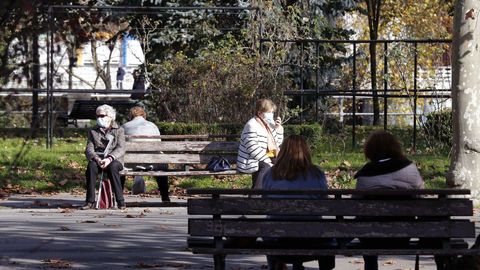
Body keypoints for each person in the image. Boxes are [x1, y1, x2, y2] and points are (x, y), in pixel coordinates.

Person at [262, 135, 335, 270]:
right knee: (327, 232)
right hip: (312, 238)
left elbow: (265, 204)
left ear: (283, 151)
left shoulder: (270, 174)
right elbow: (324, 203)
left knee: (270, 225)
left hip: (278, 239)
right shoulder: (317, 173)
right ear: (306, 152)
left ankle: (276, 266)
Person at [354, 130, 424, 270]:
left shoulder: (365, 175)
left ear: (370, 149)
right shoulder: (410, 169)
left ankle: (370, 266)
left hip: (370, 237)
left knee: (364, 223)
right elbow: (421, 198)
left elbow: (355, 204)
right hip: (402, 234)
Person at [121, 106, 170, 202]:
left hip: (130, 164)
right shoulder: (153, 126)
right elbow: (158, 144)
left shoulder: (124, 126)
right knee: (162, 166)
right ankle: (165, 196)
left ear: (131, 115)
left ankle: (118, 196)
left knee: (119, 167)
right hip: (152, 163)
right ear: (144, 115)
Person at [82, 104, 126, 210]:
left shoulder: (119, 130)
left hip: (114, 160)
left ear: (109, 116)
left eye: (101, 116)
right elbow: (89, 149)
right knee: (91, 166)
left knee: (112, 167)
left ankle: (120, 201)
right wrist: (97, 159)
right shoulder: (93, 131)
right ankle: (90, 201)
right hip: (99, 159)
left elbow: (121, 148)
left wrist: (109, 158)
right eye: (97, 116)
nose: (99, 118)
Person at [237, 98, 284, 189]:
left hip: (266, 155)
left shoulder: (269, 124)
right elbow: (253, 150)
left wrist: (278, 128)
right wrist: (269, 162)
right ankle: (256, 195)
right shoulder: (251, 125)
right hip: (250, 159)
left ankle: (281, 192)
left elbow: (277, 143)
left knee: (285, 162)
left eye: (272, 112)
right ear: (259, 113)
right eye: (269, 112)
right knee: (265, 166)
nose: (271, 115)